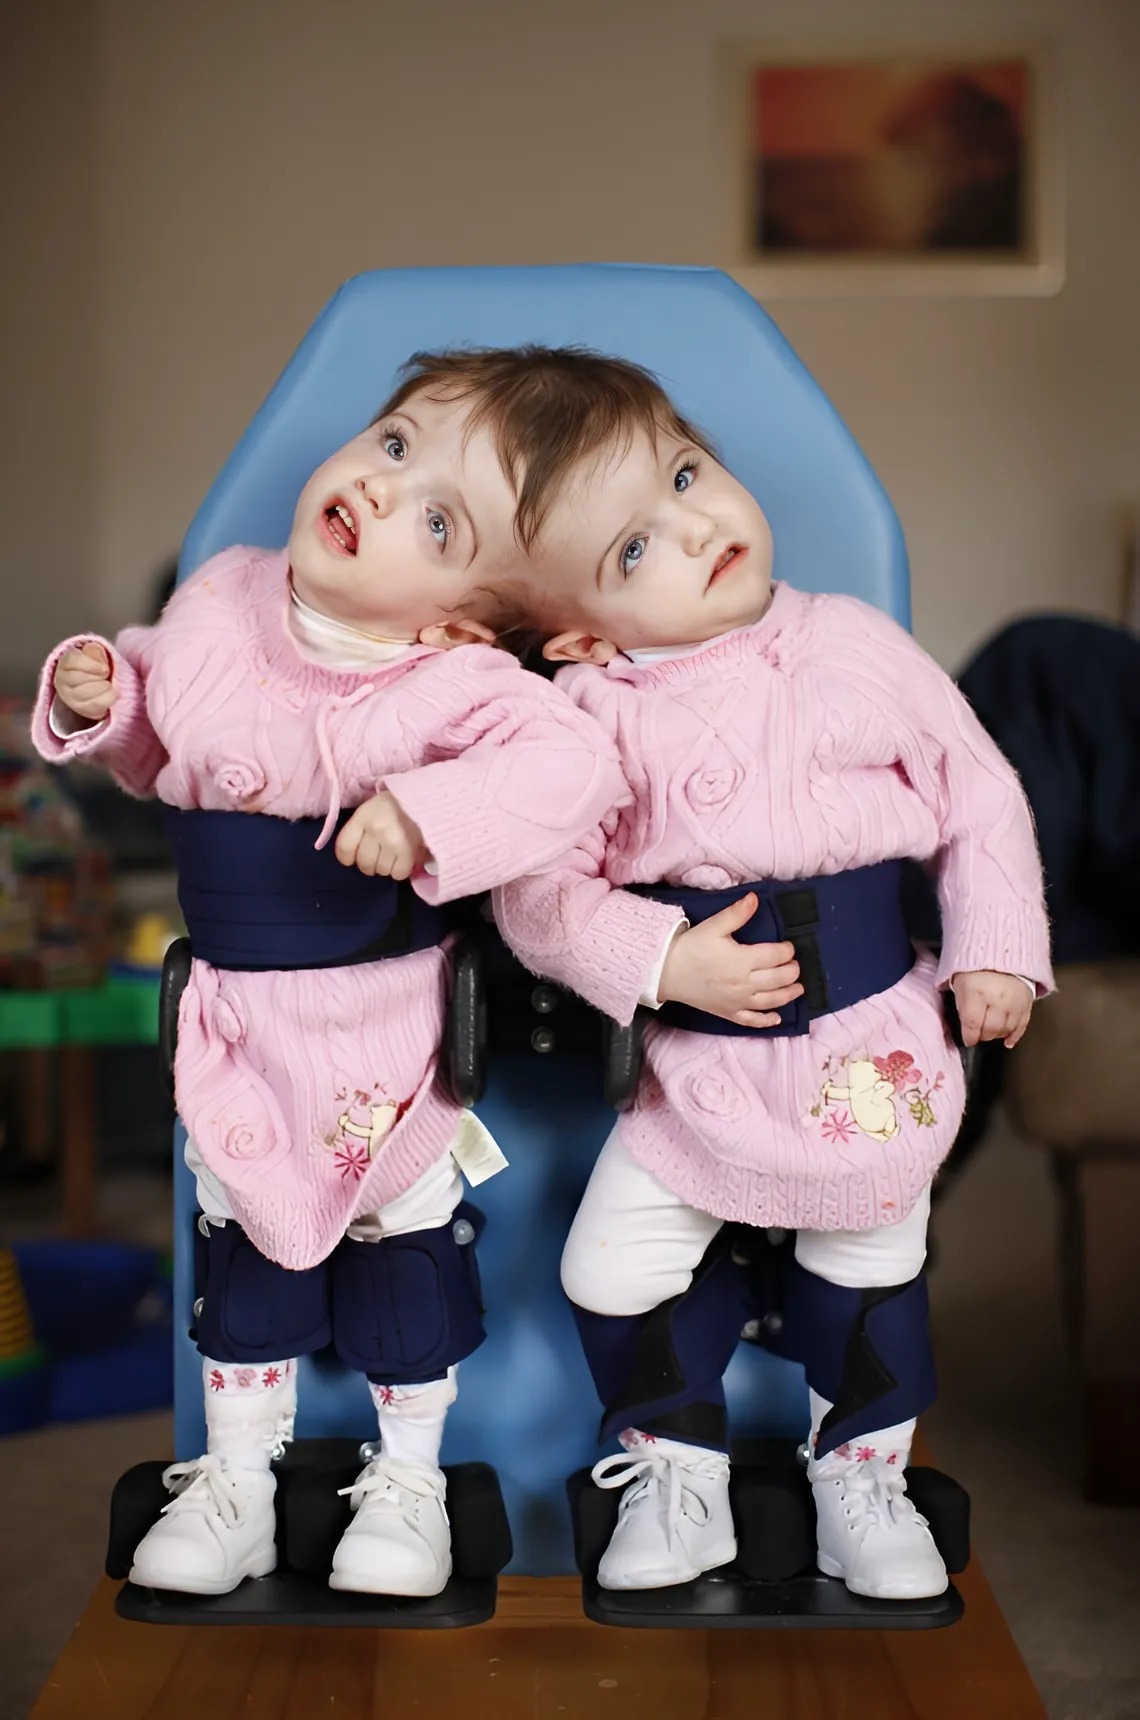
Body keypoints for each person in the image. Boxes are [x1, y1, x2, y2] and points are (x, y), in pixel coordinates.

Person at [31, 356, 625, 1601]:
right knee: (242, 1257)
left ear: (460, 624)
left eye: (440, 520)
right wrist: (110, 700)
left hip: (384, 1033)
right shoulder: (222, 599)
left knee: (405, 1260)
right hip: (240, 1026)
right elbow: (159, 742)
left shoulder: (458, 685)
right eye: (394, 444)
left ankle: (408, 1483)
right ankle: (238, 1481)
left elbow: (572, 771)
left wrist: (429, 812)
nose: (383, 485)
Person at [488, 347, 1052, 1601]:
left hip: (867, 1043)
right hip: (701, 1066)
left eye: (687, 475)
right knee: (606, 1268)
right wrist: (657, 956)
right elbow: (533, 893)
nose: (696, 527)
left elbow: (978, 791)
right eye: (636, 547)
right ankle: (673, 1465)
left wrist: (996, 946)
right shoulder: (586, 719)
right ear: (579, 633)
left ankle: (863, 1473)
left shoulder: (848, 643)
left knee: (870, 1258)